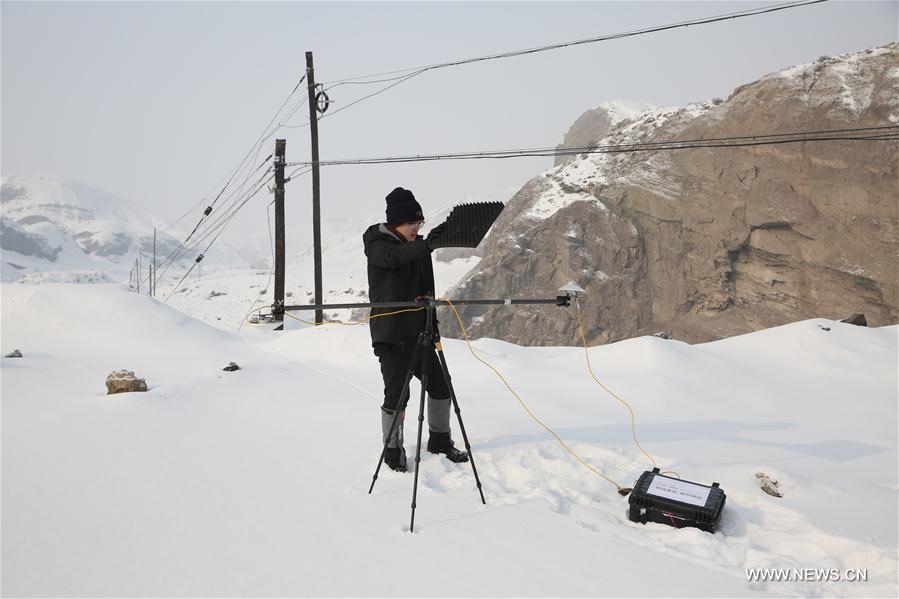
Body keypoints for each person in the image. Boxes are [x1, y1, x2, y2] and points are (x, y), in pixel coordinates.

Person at [363, 187, 470, 472]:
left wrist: (432, 327)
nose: (416, 228)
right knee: (398, 395)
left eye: (419, 223)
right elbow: (394, 257)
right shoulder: (377, 243)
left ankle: (440, 441)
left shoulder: (419, 247)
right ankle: (392, 450)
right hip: (391, 335)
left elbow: (427, 291)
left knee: (440, 386)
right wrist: (427, 246)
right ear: (395, 222)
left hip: (419, 333)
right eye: (412, 223)